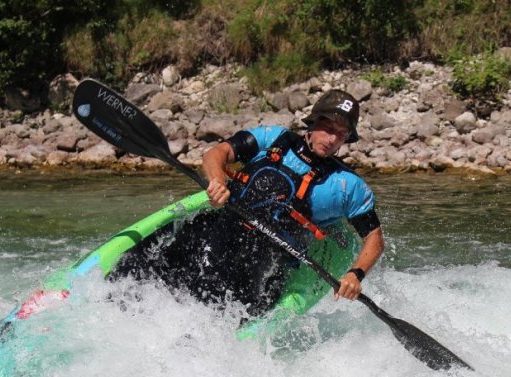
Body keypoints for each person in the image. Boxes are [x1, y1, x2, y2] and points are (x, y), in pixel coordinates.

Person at [113, 89, 384, 317]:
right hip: (218, 229)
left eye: (341, 133)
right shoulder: (273, 139)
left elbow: (374, 237)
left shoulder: (348, 186)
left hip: (261, 264)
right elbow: (217, 153)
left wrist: (355, 275)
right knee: (139, 269)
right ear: (313, 123)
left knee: (209, 305)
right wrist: (218, 181)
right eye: (327, 127)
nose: (333, 138)